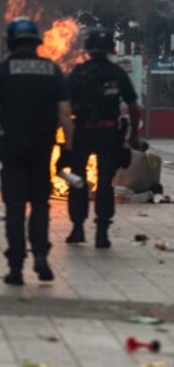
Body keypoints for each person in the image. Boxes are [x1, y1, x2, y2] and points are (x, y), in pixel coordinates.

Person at [0, 17, 74, 286]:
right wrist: (69, 148)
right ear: (37, 42)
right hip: (43, 147)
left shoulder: (4, 70)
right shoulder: (52, 70)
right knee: (40, 204)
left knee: (15, 206)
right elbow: (64, 113)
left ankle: (16, 266)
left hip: (13, 146)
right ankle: (40, 255)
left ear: (12, 42)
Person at [63, 27, 141, 248]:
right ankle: (102, 232)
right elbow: (133, 107)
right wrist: (133, 135)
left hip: (82, 132)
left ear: (87, 48)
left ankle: (77, 228)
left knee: (77, 180)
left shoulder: (78, 72)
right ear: (110, 48)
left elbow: (64, 107)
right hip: (108, 133)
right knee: (105, 182)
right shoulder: (117, 73)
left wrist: (65, 138)